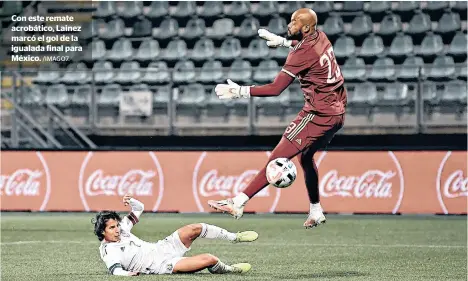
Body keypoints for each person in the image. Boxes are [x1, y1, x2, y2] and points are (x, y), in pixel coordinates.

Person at [210, 8, 347, 229]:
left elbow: (276, 89)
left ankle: (238, 202)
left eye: (294, 23)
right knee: (305, 158)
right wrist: (284, 43)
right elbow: (307, 50)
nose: (289, 25)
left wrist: (240, 91)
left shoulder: (300, 53)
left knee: (277, 159)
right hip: (338, 111)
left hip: (318, 114)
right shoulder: (321, 36)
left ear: (306, 28)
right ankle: (316, 210)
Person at [92, 194, 258, 276]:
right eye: (112, 228)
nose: (117, 229)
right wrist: (128, 274)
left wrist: (131, 200)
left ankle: (234, 237)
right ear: (102, 232)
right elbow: (115, 270)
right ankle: (230, 270)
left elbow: (139, 208)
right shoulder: (108, 251)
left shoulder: (122, 229)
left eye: (116, 225)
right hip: (162, 265)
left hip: (162, 247)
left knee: (195, 228)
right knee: (210, 259)